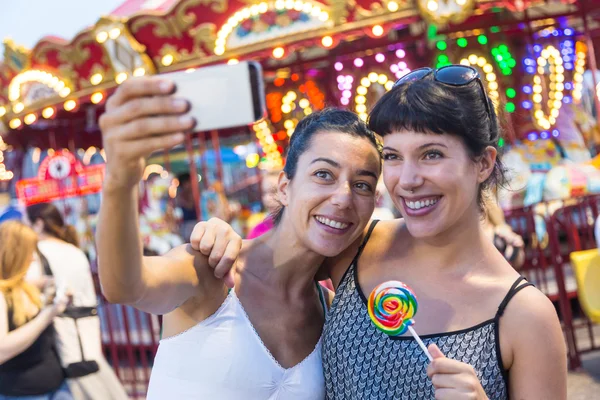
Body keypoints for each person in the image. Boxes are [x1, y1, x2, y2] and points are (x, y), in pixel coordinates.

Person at [194, 65, 567, 399]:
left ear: (483, 163)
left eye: (431, 154)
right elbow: (265, 264)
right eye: (392, 156)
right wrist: (225, 238)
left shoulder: (524, 316)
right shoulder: (355, 247)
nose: (406, 181)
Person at [95, 75, 381, 400]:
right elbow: (123, 286)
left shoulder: (331, 311)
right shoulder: (214, 267)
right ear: (285, 187)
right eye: (323, 175)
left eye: (362, 185)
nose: (343, 197)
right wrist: (120, 179)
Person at [25, 203, 128, 400]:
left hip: (60, 337)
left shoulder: (38, 251)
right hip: (86, 331)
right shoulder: (75, 250)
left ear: (38, 224)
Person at [0, 221, 72, 399]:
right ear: (14, 253)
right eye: (29, 251)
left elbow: (39, 281)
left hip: (55, 384)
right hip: (22, 392)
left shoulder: (23, 286)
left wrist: (54, 289)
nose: (33, 258)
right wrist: (47, 316)